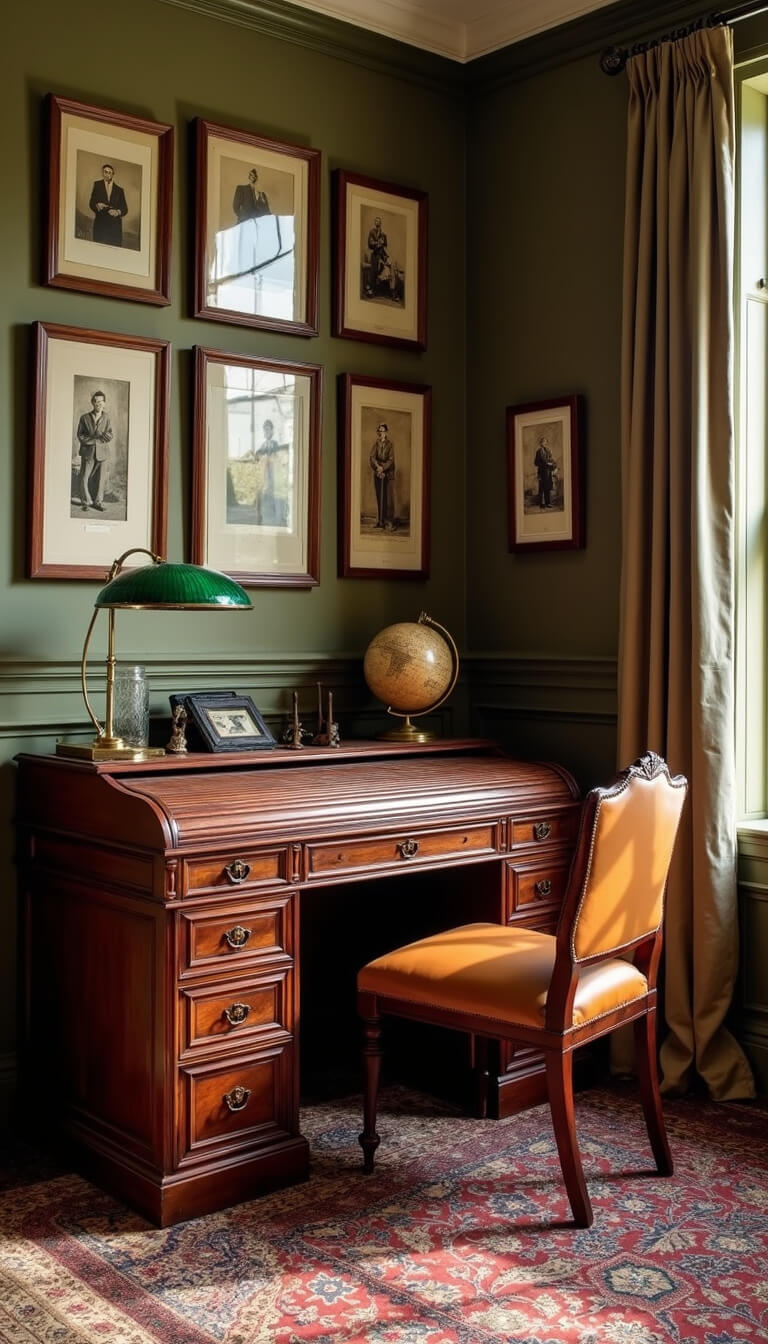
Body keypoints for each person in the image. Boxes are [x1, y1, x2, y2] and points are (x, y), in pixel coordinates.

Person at [76, 391, 113, 512]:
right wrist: (93, 440)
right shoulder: (84, 418)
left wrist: (103, 436)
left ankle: (98, 502)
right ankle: (86, 501)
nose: (98, 404)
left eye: (101, 402)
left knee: (101, 479)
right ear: (92, 402)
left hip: (103, 452)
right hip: (88, 452)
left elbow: (110, 434)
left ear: (104, 403)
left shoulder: (107, 417)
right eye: (96, 401)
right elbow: (80, 435)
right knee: (84, 477)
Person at [252, 420, 287, 526]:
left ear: (272, 430)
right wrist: (258, 455)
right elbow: (259, 458)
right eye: (264, 429)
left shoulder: (276, 444)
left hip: (275, 480)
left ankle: (279, 520)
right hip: (266, 481)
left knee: (278, 502)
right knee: (266, 506)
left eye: (268, 429)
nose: (266, 431)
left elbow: (279, 458)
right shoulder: (263, 446)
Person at [89, 164, 128, 246]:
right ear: (102, 173)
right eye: (105, 172)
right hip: (100, 225)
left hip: (115, 228)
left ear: (113, 174)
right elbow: (91, 203)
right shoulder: (97, 185)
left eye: (110, 172)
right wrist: (97, 205)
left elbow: (125, 208)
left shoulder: (119, 190)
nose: (107, 174)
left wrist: (117, 212)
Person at [369, 422, 395, 529]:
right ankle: (379, 521)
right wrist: (377, 468)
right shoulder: (376, 444)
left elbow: (391, 460)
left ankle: (388, 521)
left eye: (383, 431)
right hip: (378, 473)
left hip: (387, 473)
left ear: (386, 432)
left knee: (387, 498)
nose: (381, 433)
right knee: (379, 496)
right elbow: (372, 457)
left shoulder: (390, 445)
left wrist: (383, 468)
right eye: (379, 431)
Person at [365, 216, 389, 296]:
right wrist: (378, 243)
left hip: (381, 256)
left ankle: (377, 290)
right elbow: (370, 243)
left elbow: (385, 246)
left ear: (380, 223)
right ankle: (372, 290)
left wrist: (385, 257)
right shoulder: (372, 232)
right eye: (376, 221)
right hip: (374, 255)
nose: (377, 222)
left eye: (378, 221)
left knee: (382, 272)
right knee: (373, 272)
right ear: (374, 223)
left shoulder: (383, 235)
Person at [534, 435, 558, 509]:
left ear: (546, 443)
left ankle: (548, 503)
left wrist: (554, 466)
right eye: (542, 442)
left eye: (545, 442)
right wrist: (545, 464)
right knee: (541, 488)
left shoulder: (548, 451)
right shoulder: (538, 451)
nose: (543, 443)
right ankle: (541, 504)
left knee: (547, 488)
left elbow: (552, 460)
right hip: (541, 472)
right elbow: (536, 463)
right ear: (540, 443)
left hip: (548, 472)